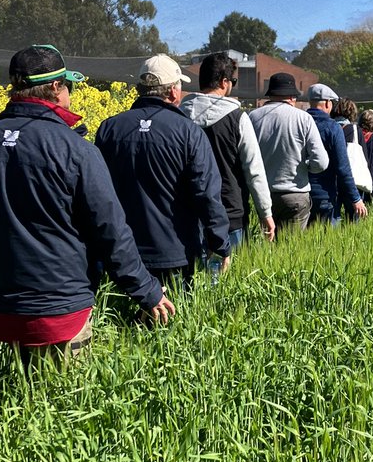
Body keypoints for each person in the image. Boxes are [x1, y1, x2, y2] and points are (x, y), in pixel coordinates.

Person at [0, 43, 174, 362]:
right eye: (68, 87)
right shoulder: (76, 150)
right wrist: (146, 291)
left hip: (1, 311)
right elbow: (111, 233)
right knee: (65, 404)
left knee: (12, 399)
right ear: (56, 87)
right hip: (62, 313)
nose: (70, 94)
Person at [94, 53, 231, 289]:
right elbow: (207, 193)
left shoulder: (109, 128)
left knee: (124, 323)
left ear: (139, 89)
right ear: (173, 92)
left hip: (122, 253)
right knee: (173, 320)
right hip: (175, 252)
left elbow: (96, 191)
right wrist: (220, 244)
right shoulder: (188, 132)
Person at [180, 52, 276, 250]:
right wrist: (265, 213)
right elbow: (254, 170)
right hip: (230, 213)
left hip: (188, 212)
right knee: (231, 278)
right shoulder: (238, 118)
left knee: (192, 279)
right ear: (224, 82)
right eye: (233, 81)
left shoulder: (180, 117)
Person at [247, 71, 329, 234]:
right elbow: (321, 162)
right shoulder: (303, 118)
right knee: (290, 252)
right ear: (292, 96)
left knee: (263, 250)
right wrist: (306, 167)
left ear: (270, 94)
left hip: (261, 194)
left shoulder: (252, 117)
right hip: (295, 195)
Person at [305, 84, 368, 224]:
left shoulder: (300, 123)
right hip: (325, 194)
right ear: (327, 103)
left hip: (301, 193)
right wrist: (356, 198)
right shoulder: (332, 127)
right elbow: (342, 168)